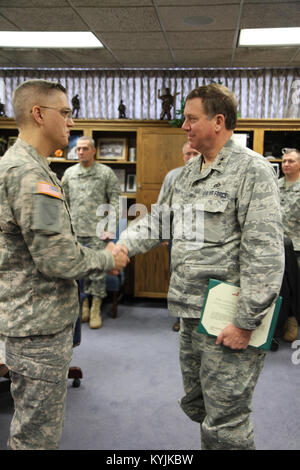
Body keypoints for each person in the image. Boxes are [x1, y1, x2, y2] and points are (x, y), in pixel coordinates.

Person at [117, 83, 284, 450]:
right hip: (192, 311)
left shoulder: (252, 170)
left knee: (227, 421)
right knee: (201, 406)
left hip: (230, 315)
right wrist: (122, 247)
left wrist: (244, 322)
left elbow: (265, 254)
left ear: (218, 121)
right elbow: (158, 222)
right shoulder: (190, 172)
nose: (184, 126)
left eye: (191, 119)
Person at [0, 79, 128, 450]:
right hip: (38, 326)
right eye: (66, 113)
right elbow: (57, 258)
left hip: (31, 317)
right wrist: (109, 258)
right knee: (36, 435)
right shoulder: (30, 175)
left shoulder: (26, 166)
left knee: (31, 423)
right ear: (38, 114)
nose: (72, 123)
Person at [62, 136, 121, 329]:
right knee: (78, 272)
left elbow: (115, 201)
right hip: (75, 232)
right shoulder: (69, 174)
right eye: (78, 149)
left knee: (97, 271)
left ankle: (96, 307)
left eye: (84, 148)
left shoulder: (106, 173)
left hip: (98, 231)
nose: (80, 152)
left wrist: (110, 229)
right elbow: (64, 204)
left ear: (93, 150)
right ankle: (83, 304)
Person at [157, 142, 199, 332]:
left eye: (195, 153)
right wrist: (164, 233)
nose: (191, 157)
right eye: (187, 154)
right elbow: (162, 206)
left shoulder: (211, 173)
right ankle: (181, 317)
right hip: (177, 237)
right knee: (178, 276)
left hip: (203, 237)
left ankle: (198, 317)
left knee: (199, 277)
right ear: (183, 156)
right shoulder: (173, 175)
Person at [278, 147, 300, 342]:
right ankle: (280, 320)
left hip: (297, 248)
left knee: (295, 286)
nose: (286, 164)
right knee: (279, 287)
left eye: (291, 161)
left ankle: (292, 321)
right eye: (284, 161)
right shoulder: (275, 186)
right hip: (276, 247)